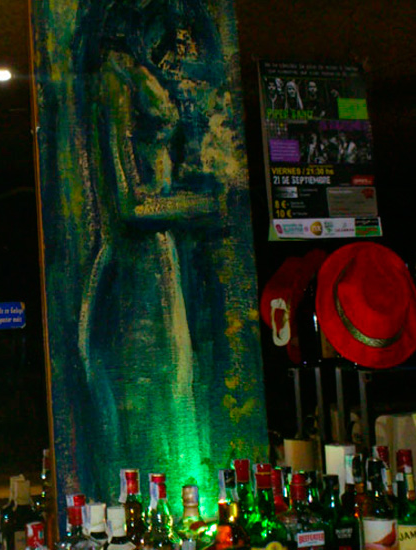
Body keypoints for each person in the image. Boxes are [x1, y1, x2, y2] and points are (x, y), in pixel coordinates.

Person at [70, 0, 256, 496]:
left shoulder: (133, 69)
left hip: (154, 264)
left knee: (172, 410)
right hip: (134, 279)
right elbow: (129, 203)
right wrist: (204, 203)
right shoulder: (113, 79)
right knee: (149, 423)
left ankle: (175, 514)